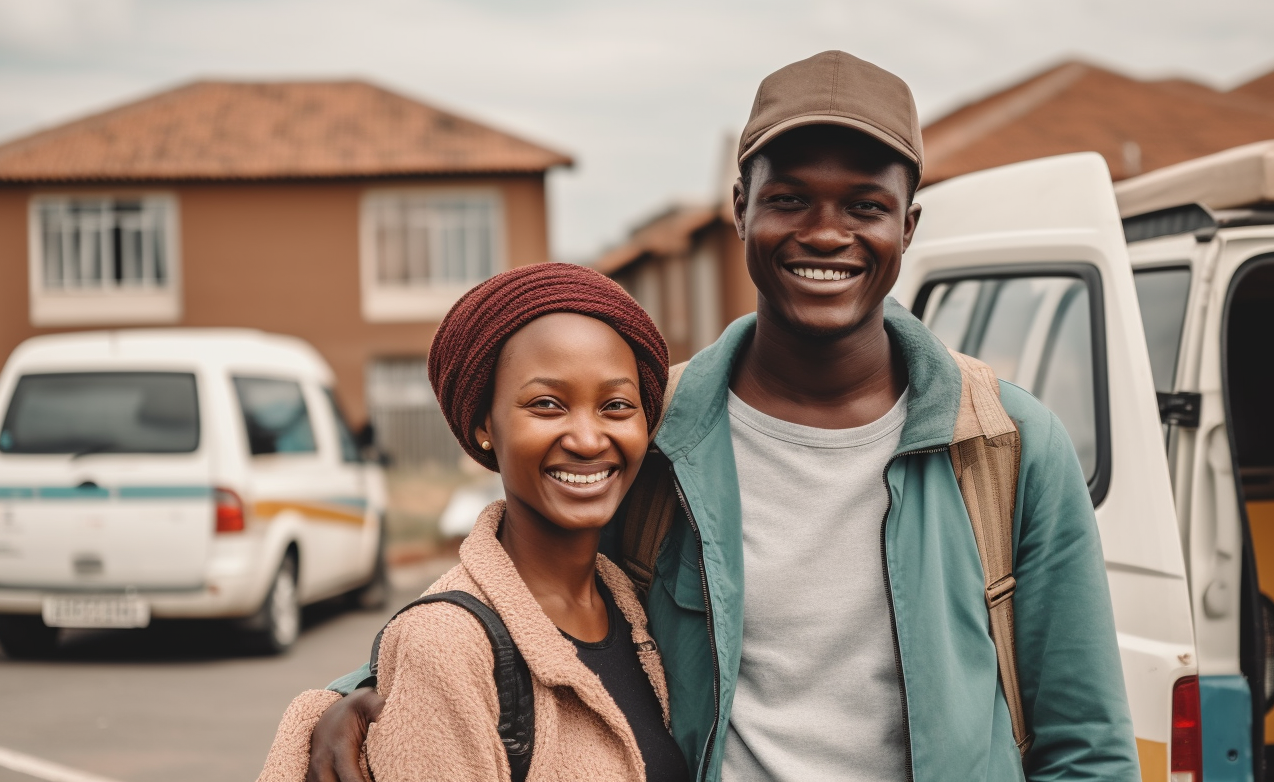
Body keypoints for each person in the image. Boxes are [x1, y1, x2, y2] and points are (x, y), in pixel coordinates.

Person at [306, 51, 1141, 781]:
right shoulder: (655, 437)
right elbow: (519, 589)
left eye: (864, 206)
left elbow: (1086, 746)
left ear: (908, 225)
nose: (825, 233)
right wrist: (364, 688)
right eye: (789, 199)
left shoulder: (1006, 446)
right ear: (740, 206)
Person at [257, 262, 689, 782]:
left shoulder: (633, 607)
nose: (588, 438)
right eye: (547, 405)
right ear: (484, 423)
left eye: (616, 405)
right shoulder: (446, 643)